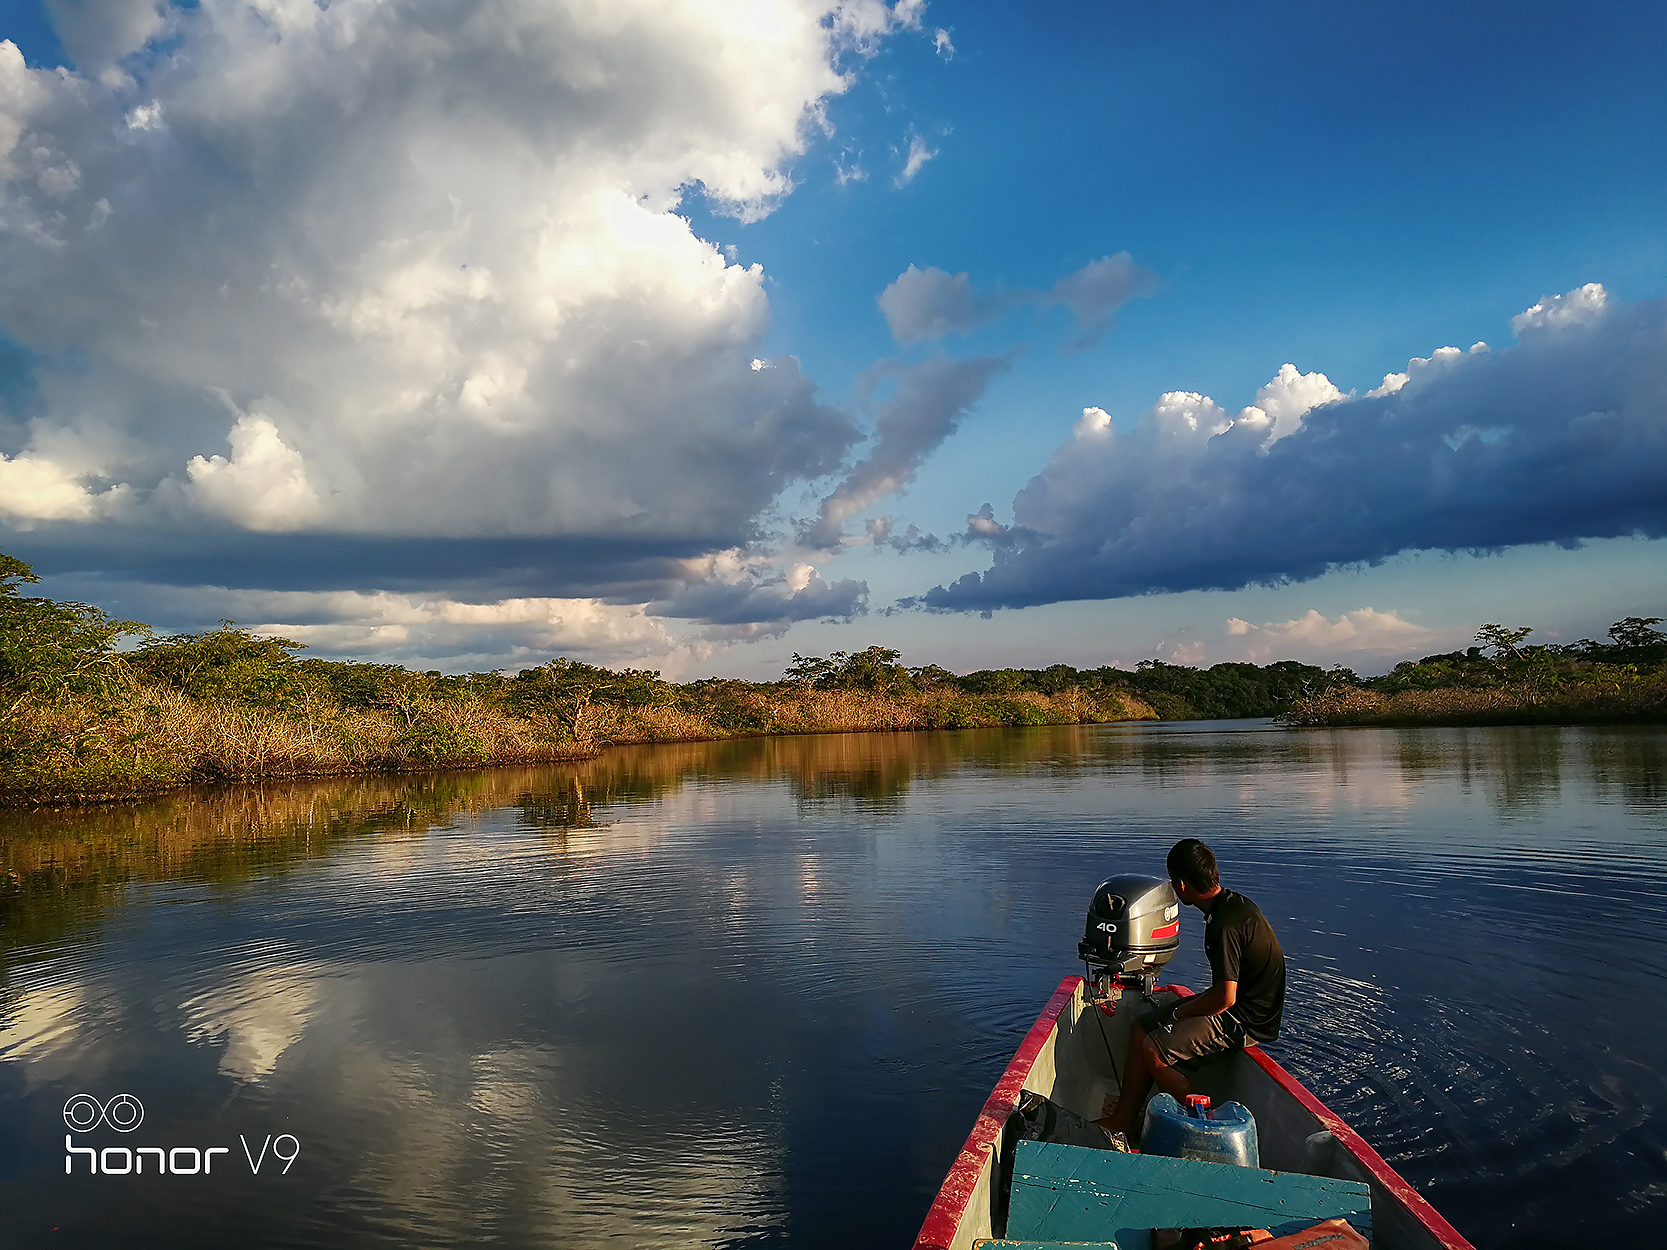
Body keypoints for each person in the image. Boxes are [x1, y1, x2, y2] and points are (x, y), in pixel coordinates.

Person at [1096, 838, 1286, 1143]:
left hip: (1246, 1020)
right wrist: (1176, 1013)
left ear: (1182, 885)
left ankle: (1202, 1129)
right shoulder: (1231, 905)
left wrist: (1179, 1012)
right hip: (1237, 1005)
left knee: (1153, 1048)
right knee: (1140, 1027)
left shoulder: (1225, 924)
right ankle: (1123, 1118)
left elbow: (1226, 998)